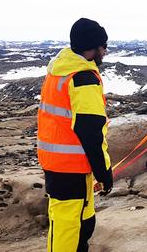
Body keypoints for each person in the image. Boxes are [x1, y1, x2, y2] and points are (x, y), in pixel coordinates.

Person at [37, 18, 113, 252]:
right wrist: (104, 173)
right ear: (92, 48)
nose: (105, 51)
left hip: (59, 164)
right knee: (69, 230)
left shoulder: (61, 68)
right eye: (103, 46)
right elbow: (90, 131)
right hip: (72, 167)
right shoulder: (83, 78)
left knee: (78, 222)